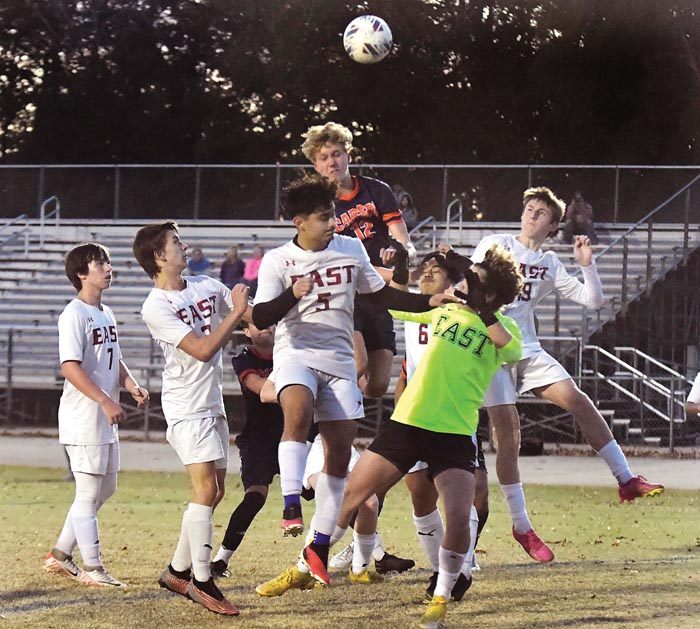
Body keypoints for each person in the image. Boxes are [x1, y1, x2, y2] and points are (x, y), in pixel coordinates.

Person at [251, 175, 453, 589]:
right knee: (297, 410)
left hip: (340, 358)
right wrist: (293, 294)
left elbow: (380, 297)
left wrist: (426, 301)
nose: (333, 222)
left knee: (340, 458)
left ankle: (318, 546)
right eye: (324, 217)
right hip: (296, 353)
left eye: (333, 215)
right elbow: (260, 316)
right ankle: (291, 504)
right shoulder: (278, 261)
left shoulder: (349, 248)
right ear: (299, 222)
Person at [333, 244, 523, 629]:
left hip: (454, 428)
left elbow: (511, 348)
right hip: (412, 418)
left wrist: (481, 305)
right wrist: (404, 268)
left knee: (464, 507)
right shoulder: (441, 307)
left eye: (474, 281)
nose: (464, 283)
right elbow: (396, 303)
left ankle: (450, 583)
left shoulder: (501, 327)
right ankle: (314, 559)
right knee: (393, 492)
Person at [472, 186, 664, 565]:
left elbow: (593, 300)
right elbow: (472, 284)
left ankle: (626, 479)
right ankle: (522, 525)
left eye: (541, 212)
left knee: (577, 399)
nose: (532, 214)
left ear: (553, 226)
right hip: (492, 347)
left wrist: (586, 264)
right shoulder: (496, 243)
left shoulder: (549, 263)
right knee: (508, 435)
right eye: (529, 208)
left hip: (526, 347)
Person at [133, 221, 248, 616]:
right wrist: (236, 314)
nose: (184, 246)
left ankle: (176, 571)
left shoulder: (204, 285)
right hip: (186, 406)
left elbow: (249, 315)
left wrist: (271, 312)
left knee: (215, 492)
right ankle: (201, 580)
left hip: (211, 401)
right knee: (204, 489)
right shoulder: (155, 306)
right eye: (176, 242)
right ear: (158, 256)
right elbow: (201, 349)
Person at [43, 243, 149, 587]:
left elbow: (113, 358)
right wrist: (105, 401)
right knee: (88, 493)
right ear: (80, 273)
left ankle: (61, 553)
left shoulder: (106, 312)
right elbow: (70, 367)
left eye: (107, 262)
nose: (108, 268)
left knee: (106, 488)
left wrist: (130, 384)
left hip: (103, 418)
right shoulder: (73, 314)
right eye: (99, 263)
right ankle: (93, 567)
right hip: (83, 417)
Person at [393, 251, 488, 598]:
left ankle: (462, 568)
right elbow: (391, 292)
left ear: (452, 283)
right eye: (425, 270)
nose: (427, 274)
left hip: (454, 413)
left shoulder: (461, 311)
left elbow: (476, 281)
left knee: (471, 494)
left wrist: (454, 259)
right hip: (417, 413)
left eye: (436, 271)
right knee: (419, 493)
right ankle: (441, 571)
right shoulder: (413, 308)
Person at [301, 121, 417, 399]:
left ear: (349, 156)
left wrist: (401, 256)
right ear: (316, 165)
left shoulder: (377, 191)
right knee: (358, 363)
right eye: (324, 157)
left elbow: (405, 243)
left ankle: (340, 398)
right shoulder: (315, 205)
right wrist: (386, 273)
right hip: (343, 291)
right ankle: (311, 403)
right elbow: (332, 260)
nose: (332, 162)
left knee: (377, 386)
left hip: (377, 293)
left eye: (336, 154)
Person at [209, 320, 283, 578]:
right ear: (247, 332)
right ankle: (220, 560)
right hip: (259, 439)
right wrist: (297, 384)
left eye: (270, 322)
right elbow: (262, 390)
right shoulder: (243, 359)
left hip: (295, 434)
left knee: (327, 488)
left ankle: (368, 550)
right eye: (257, 323)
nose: (266, 327)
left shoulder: (290, 351)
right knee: (254, 498)